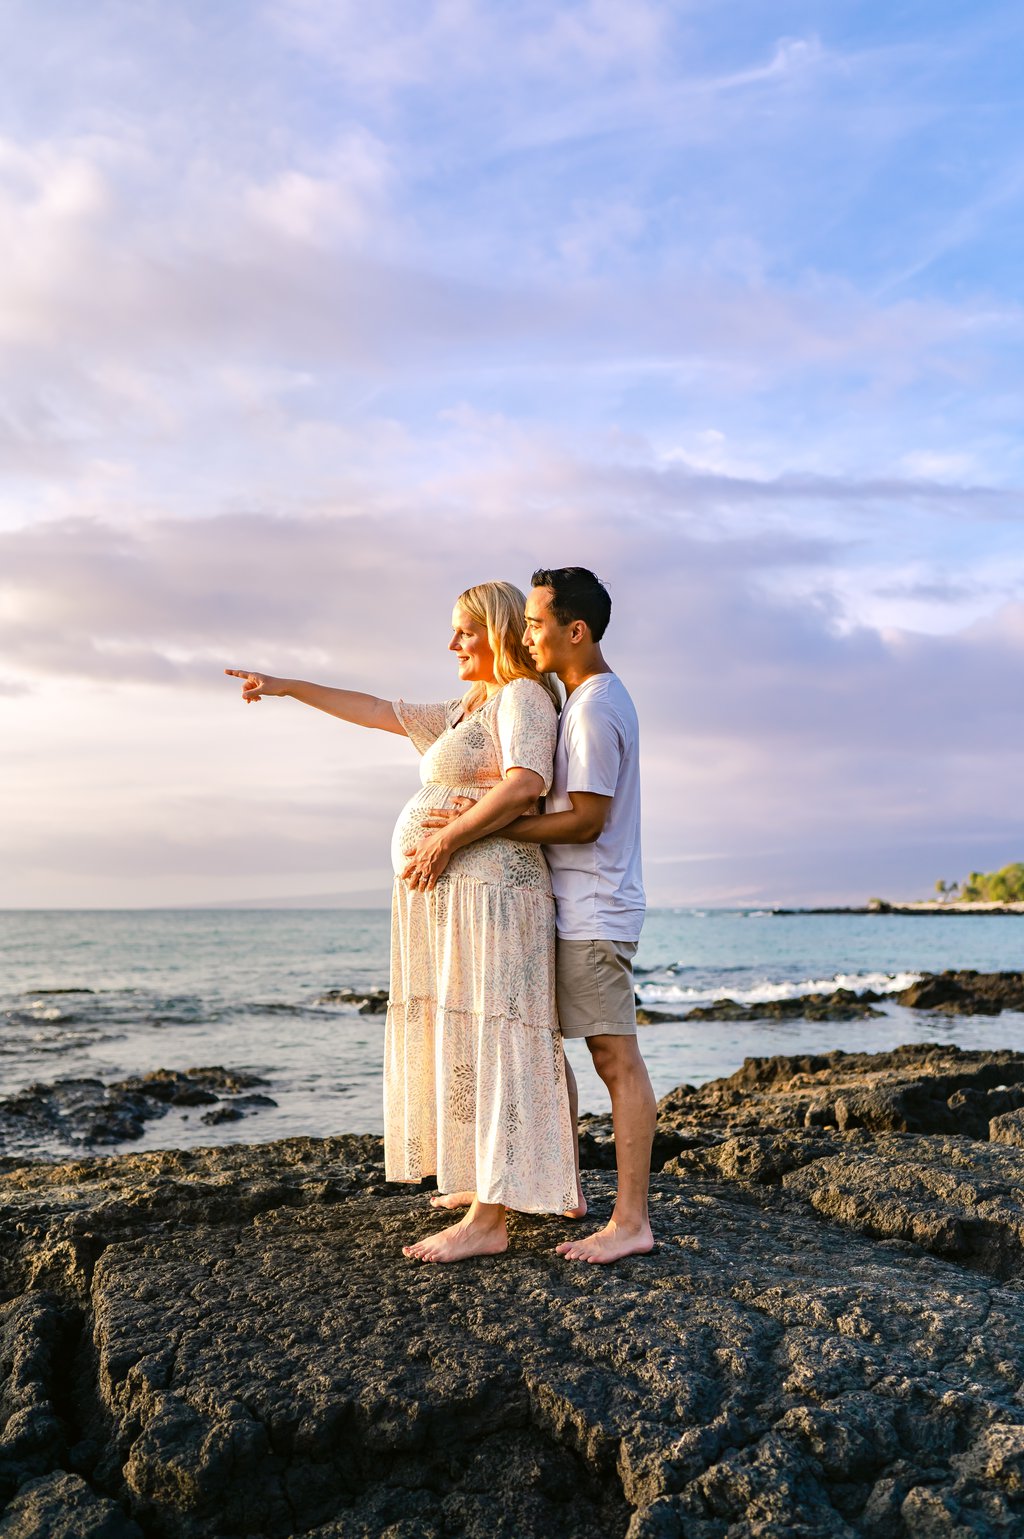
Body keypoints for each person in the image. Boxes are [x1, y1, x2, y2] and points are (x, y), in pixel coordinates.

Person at [225, 581, 577, 1263]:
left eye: (465, 632)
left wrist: (447, 839)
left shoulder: (522, 697)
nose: (452, 644)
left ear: (500, 630)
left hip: (499, 893)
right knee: (480, 1029)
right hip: (463, 899)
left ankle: (490, 1216)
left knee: (502, 1028)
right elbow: (378, 708)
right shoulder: (463, 706)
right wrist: (288, 685)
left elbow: (525, 781)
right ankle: (517, 1178)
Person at [416, 567, 656, 1264]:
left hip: (593, 908)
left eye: (536, 623)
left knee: (615, 1058)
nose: (526, 635)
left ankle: (632, 1220)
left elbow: (585, 819)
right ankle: (564, 1185)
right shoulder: (582, 700)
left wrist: (480, 831)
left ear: (574, 630)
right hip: (574, 906)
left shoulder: (595, 708)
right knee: (549, 1051)